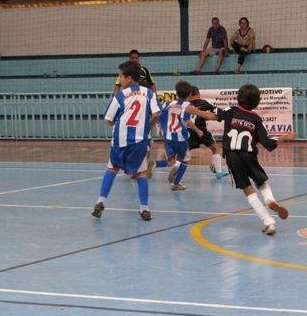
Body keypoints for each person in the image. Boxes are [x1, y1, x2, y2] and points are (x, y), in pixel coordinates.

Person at [204, 84, 296, 235]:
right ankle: (270, 200)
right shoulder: (256, 119)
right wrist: (284, 137)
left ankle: (269, 222)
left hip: (232, 156)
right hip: (249, 155)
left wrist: (193, 111)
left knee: (247, 188)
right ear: (257, 102)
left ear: (238, 98)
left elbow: (211, 115)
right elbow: (267, 142)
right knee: (261, 182)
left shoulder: (230, 111)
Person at [92, 61, 161, 221]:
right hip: (139, 142)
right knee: (141, 174)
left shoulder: (120, 95)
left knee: (112, 169)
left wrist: (117, 120)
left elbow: (108, 120)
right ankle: (144, 209)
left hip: (120, 141)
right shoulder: (149, 94)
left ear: (129, 78)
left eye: (120, 76)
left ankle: (101, 201)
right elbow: (156, 115)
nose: (119, 79)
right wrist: (146, 129)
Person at [153, 81, 215, 190]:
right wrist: (214, 117)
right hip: (180, 137)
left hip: (167, 137)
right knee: (185, 160)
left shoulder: (167, 103)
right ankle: (176, 183)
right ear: (189, 95)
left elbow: (158, 114)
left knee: (172, 160)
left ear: (176, 93)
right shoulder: (187, 106)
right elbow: (195, 117)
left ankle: (156, 164)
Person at [187, 86, 228, 179]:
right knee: (215, 148)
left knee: (182, 154)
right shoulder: (202, 102)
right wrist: (221, 117)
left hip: (189, 130)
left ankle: (161, 164)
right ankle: (218, 171)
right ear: (198, 94)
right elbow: (216, 111)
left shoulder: (186, 104)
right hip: (201, 130)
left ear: (189, 95)